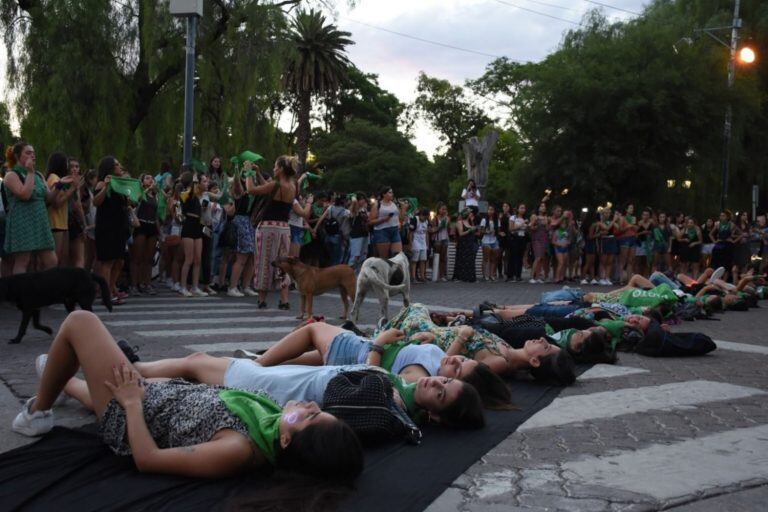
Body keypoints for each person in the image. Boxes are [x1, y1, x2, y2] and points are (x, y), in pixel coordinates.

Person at [12, 311, 364, 481]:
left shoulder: (238, 449)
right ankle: (61, 381)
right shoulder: (271, 423)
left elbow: (147, 460)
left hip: (134, 412)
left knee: (80, 322)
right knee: (89, 386)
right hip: (166, 395)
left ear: (287, 441)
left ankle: (37, 412)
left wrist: (132, 403)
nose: (311, 406)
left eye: (313, 416)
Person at [252, 322, 487, 426]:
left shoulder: (418, 381)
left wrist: (379, 344)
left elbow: (376, 375)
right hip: (356, 353)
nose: (455, 359)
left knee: (313, 330)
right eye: (463, 359)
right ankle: (264, 360)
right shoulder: (435, 371)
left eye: (457, 369)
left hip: (356, 354)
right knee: (306, 357)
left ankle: (259, 362)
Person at [248, 156, 306, 310]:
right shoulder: (293, 186)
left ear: (280, 169)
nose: (273, 169)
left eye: (275, 166)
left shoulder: (276, 184)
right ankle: (284, 300)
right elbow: (269, 188)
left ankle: (262, 299)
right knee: (283, 263)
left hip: (268, 227)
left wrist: (248, 174)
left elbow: (252, 190)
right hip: (284, 228)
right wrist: (259, 174)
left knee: (264, 261)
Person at [3, 142, 66, 274]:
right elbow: (24, 195)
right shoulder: (11, 175)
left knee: (51, 260)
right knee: (23, 261)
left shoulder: (39, 175)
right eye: (28, 153)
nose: (32, 156)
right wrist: (30, 172)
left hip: (40, 221)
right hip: (22, 221)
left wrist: (60, 185)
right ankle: (21, 292)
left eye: (33, 153)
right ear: (17, 156)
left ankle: (44, 290)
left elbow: (48, 198)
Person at [93, 156, 130, 303]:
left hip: (119, 226)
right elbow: (96, 202)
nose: (120, 166)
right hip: (107, 227)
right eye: (116, 165)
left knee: (120, 261)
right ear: (109, 168)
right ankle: (106, 293)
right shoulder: (102, 183)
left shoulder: (119, 185)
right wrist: (106, 187)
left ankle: (111, 286)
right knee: (107, 261)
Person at [45, 152, 78, 266]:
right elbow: (56, 203)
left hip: (62, 224)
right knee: (55, 260)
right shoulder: (54, 178)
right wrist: (72, 189)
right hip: (55, 223)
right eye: (66, 163)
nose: (68, 166)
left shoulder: (59, 178)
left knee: (63, 259)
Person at [129, 173, 159, 296]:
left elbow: (157, 214)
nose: (150, 180)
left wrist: (159, 232)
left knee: (149, 258)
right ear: (142, 181)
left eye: (151, 178)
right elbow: (134, 202)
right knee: (137, 257)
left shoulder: (155, 196)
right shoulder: (140, 192)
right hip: (141, 225)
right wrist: (146, 190)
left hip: (152, 225)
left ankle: (146, 283)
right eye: (147, 178)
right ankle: (134, 284)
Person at [177, 171, 206, 297]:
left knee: (197, 259)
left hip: (197, 226)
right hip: (188, 225)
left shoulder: (197, 195)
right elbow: (188, 194)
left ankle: (195, 286)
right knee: (188, 259)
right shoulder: (184, 194)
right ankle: (183, 286)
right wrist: (195, 181)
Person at [369, 186, 402, 258]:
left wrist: (404, 209)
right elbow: (370, 221)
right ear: (384, 194)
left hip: (395, 230)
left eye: (392, 192)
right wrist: (384, 219)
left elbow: (400, 217)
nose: (392, 194)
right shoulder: (377, 205)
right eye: (390, 192)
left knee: (397, 256)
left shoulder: (394, 204)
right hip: (382, 231)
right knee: (384, 258)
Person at [453, 208, 478, 282]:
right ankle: (460, 277)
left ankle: (469, 277)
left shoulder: (470, 222)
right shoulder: (459, 222)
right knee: (462, 260)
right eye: (469, 212)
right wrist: (469, 230)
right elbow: (461, 234)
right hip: (463, 244)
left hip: (470, 244)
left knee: (470, 260)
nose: (471, 214)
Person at [346, 192, 369, 273]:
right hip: (356, 236)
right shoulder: (352, 210)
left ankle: (358, 274)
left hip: (365, 234)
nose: (363, 201)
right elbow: (354, 203)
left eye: (364, 199)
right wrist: (354, 198)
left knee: (363, 256)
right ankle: (349, 274)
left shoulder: (364, 210)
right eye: (361, 199)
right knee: (355, 256)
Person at [528, 203, 549, 283]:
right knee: (538, 257)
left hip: (544, 238)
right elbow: (530, 226)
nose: (543, 208)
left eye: (544, 206)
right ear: (538, 207)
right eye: (541, 206)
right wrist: (534, 227)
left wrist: (547, 223)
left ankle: (537, 277)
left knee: (541, 258)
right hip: (536, 238)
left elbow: (547, 229)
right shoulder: (534, 216)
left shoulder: (545, 217)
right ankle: (532, 277)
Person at [507, 203, 527, 282]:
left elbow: (526, 229)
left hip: (522, 238)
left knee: (520, 257)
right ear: (517, 209)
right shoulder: (513, 217)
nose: (523, 210)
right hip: (514, 238)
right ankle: (510, 275)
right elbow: (511, 229)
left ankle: (518, 275)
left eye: (524, 208)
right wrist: (521, 225)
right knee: (512, 256)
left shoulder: (525, 218)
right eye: (521, 208)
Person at [617, 204, 637, 284]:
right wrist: (628, 226)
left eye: (632, 208)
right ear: (626, 209)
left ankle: (629, 280)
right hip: (625, 238)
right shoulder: (622, 218)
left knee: (631, 260)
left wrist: (634, 226)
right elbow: (620, 229)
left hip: (633, 238)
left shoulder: (634, 218)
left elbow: (636, 228)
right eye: (630, 208)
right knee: (623, 259)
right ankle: (621, 279)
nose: (632, 209)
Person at [479, 205, 500, 281]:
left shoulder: (497, 220)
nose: (491, 211)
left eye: (492, 210)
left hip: (494, 240)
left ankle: (492, 274)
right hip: (486, 240)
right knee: (486, 258)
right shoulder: (484, 220)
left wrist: (498, 232)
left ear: (494, 211)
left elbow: (498, 231)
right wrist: (487, 231)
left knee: (494, 258)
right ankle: (485, 274)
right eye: (489, 210)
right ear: (487, 211)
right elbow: (480, 231)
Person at [410, 208, 430, 282]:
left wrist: (427, 244)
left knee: (423, 260)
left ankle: (422, 276)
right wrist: (411, 244)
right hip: (415, 241)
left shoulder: (426, 221)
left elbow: (426, 233)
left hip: (423, 242)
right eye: (424, 217)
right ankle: (413, 277)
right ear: (421, 215)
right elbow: (411, 232)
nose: (425, 219)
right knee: (414, 260)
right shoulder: (415, 219)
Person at [431, 203, 451, 281]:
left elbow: (448, 228)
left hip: (445, 238)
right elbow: (432, 229)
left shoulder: (447, 218)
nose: (444, 211)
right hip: (437, 239)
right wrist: (439, 227)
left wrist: (446, 220)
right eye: (442, 209)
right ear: (438, 210)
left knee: (443, 257)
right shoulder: (435, 218)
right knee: (436, 256)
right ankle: (435, 273)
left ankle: (442, 275)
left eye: (445, 209)